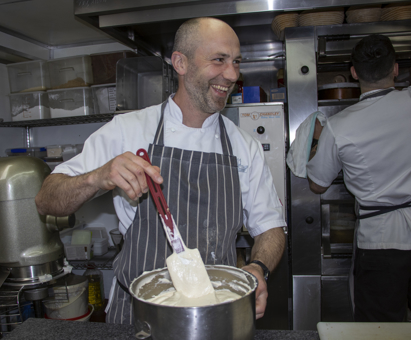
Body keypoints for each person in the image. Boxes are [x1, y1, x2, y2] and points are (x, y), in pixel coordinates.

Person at [35, 17, 286, 324]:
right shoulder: (127, 130)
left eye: (236, 62)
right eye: (219, 60)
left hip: (215, 313)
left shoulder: (243, 147)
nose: (232, 74)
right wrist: (96, 177)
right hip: (137, 315)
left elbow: (271, 228)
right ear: (180, 63)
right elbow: (46, 199)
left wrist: (258, 268)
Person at [306, 34, 411, 322]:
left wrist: (318, 144)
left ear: (353, 73)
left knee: (381, 330)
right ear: (395, 69)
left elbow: (317, 184)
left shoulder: (339, 126)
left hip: (379, 244)